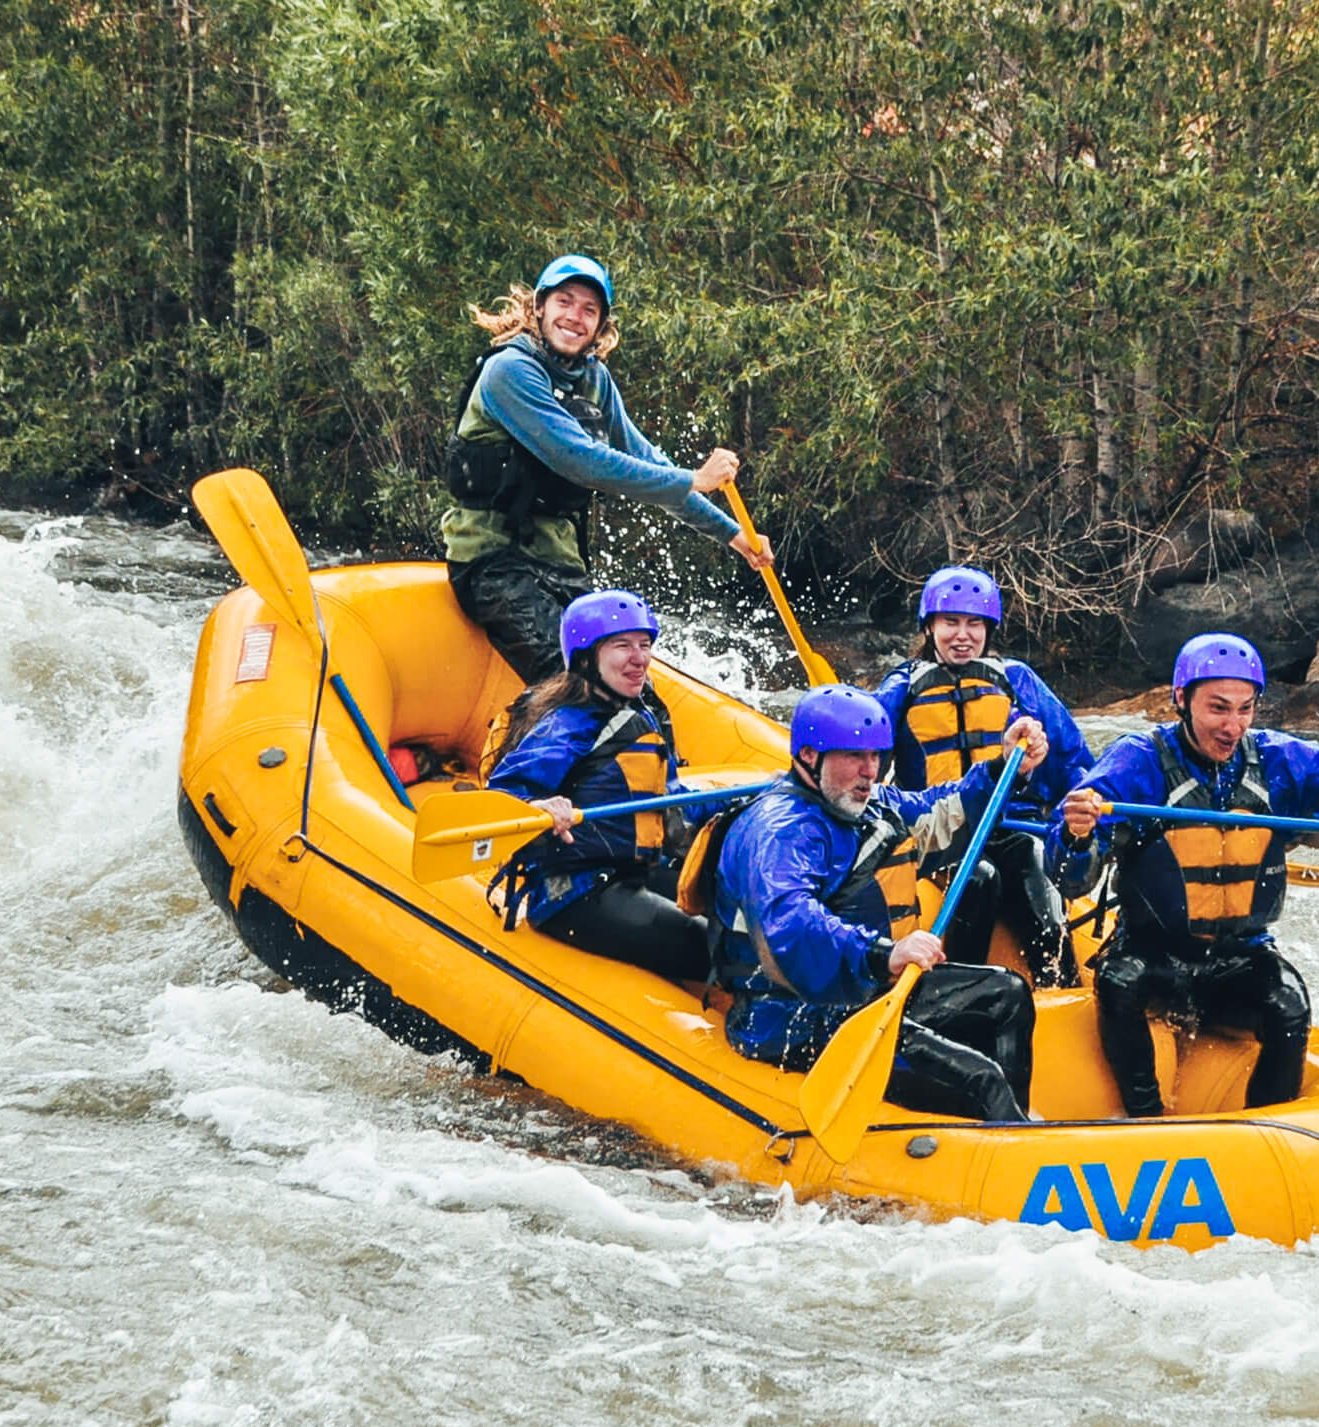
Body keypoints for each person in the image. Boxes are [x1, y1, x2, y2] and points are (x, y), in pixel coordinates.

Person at [1050, 633, 1319, 1118]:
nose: (1233, 726)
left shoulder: (1278, 760)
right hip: (1153, 954)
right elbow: (1070, 877)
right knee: (1119, 982)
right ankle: (1143, 1116)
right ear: (1182, 700)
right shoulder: (1138, 760)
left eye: (1246, 709)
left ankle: (1273, 1128)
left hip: (1238, 956)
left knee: (1289, 1005)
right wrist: (1077, 834)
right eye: (1218, 709)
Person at [706, 685, 1046, 1122]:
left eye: (876, 756)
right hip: (787, 1013)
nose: (870, 771)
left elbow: (941, 812)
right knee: (981, 1079)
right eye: (853, 756)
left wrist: (1004, 768)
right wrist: (884, 953)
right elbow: (792, 923)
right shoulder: (781, 830)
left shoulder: (870, 807)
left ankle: (1011, 1128)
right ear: (809, 756)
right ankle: (1000, 1136)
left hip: (863, 991)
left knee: (1008, 994)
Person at [440, 253, 774, 681]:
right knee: (574, 682)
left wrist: (732, 534)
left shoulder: (595, 379)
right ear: (539, 307)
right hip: (492, 564)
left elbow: (646, 463)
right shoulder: (510, 372)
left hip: (559, 565)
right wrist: (695, 478)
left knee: (630, 685)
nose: (574, 317)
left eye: (589, 310)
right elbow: (583, 461)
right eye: (565, 302)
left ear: (600, 326)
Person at [869, 565, 1091, 986]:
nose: (962, 635)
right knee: (979, 879)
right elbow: (867, 756)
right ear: (929, 625)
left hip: (1011, 824)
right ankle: (963, 991)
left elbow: (1072, 755)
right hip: (943, 826)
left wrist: (1083, 807)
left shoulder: (1016, 680)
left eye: (974, 624)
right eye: (950, 622)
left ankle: (1060, 983)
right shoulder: (904, 685)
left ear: (989, 628)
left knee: (1035, 864)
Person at [484, 589, 711, 985]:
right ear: (588, 657)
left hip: (633, 868)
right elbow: (502, 796)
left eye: (644, 645)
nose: (639, 658)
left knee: (737, 915)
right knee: (707, 944)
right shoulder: (568, 725)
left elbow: (666, 802)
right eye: (623, 646)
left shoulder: (641, 715)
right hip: (574, 893)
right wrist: (538, 805)